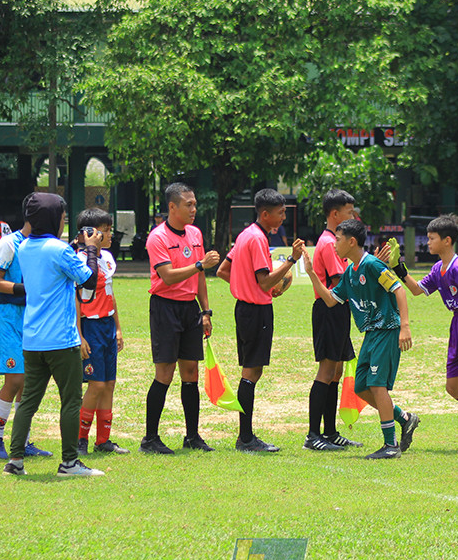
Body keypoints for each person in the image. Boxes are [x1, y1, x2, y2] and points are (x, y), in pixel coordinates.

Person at [4, 192, 105, 477]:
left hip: (32, 339)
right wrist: (91, 249)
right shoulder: (58, 250)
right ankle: (69, 462)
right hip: (61, 339)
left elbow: (52, 265)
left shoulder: (25, 247)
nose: (63, 222)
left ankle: (15, 461)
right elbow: (88, 279)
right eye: (61, 217)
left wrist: (75, 247)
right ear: (53, 218)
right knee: (71, 401)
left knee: (29, 403)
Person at [302, 218, 416, 459]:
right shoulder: (349, 273)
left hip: (387, 330)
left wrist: (405, 326)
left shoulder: (372, 265)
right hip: (371, 334)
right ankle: (404, 418)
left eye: (339, 239)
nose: (334, 244)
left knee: (377, 385)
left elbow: (399, 290)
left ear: (352, 242)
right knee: (363, 388)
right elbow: (332, 300)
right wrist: (312, 274)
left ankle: (390, 445)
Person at [393, 215, 458, 453]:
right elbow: (417, 290)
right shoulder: (437, 268)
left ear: (447, 240)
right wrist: (399, 269)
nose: (427, 242)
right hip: (457, 326)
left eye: (432, 238)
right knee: (453, 387)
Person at [217, 188, 303, 453]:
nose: (282, 219)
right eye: (279, 214)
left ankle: (246, 436)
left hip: (245, 308)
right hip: (256, 311)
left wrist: (249, 287)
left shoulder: (246, 235)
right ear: (265, 214)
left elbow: (223, 270)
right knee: (251, 372)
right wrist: (291, 260)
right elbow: (264, 280)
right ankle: (245, 438)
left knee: (251, 370)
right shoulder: (257, 239)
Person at [142, 183, 219, 454]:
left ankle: (192, 436)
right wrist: (200, 264)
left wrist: (205, 311)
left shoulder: (195, 233)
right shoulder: (157, 238)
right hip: (165, 307)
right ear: (172, 207)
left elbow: (199, 279)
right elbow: (168, 276)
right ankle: (150, 438)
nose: (193, 209)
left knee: (191, 372)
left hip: (189, 309)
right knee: (164, 373)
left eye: (195, 204)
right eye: (188, 204)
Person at [0, 195, 52, 460]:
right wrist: (25, 289)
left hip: (34, 318)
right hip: (9, 317)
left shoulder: (44, 245)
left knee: (30, 383)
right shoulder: (9, 243)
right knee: (15, 379)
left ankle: (22, 441)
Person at [304, 189, 361, 451]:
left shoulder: (336, 240)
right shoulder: (329, 243)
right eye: (350, 212)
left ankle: (330, 432)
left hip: (338, 310)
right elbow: (340, 283)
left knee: (336, 371)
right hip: (329, 309)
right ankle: (313, 435)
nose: (354, 216)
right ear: (335, 214)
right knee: (326, 371)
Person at [74, 209, 128, 455]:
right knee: (95, 385)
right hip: (90, 326)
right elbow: (74, 300)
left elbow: (110, 293)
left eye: (108, 229)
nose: (109, 235)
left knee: (109, 384)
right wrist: (80, 335)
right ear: (88, 233)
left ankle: (103, 440)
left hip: (107, 326)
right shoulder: (77, 260)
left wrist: (117, 327)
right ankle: (80, 440)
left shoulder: (106, 258)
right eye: (104, 230)